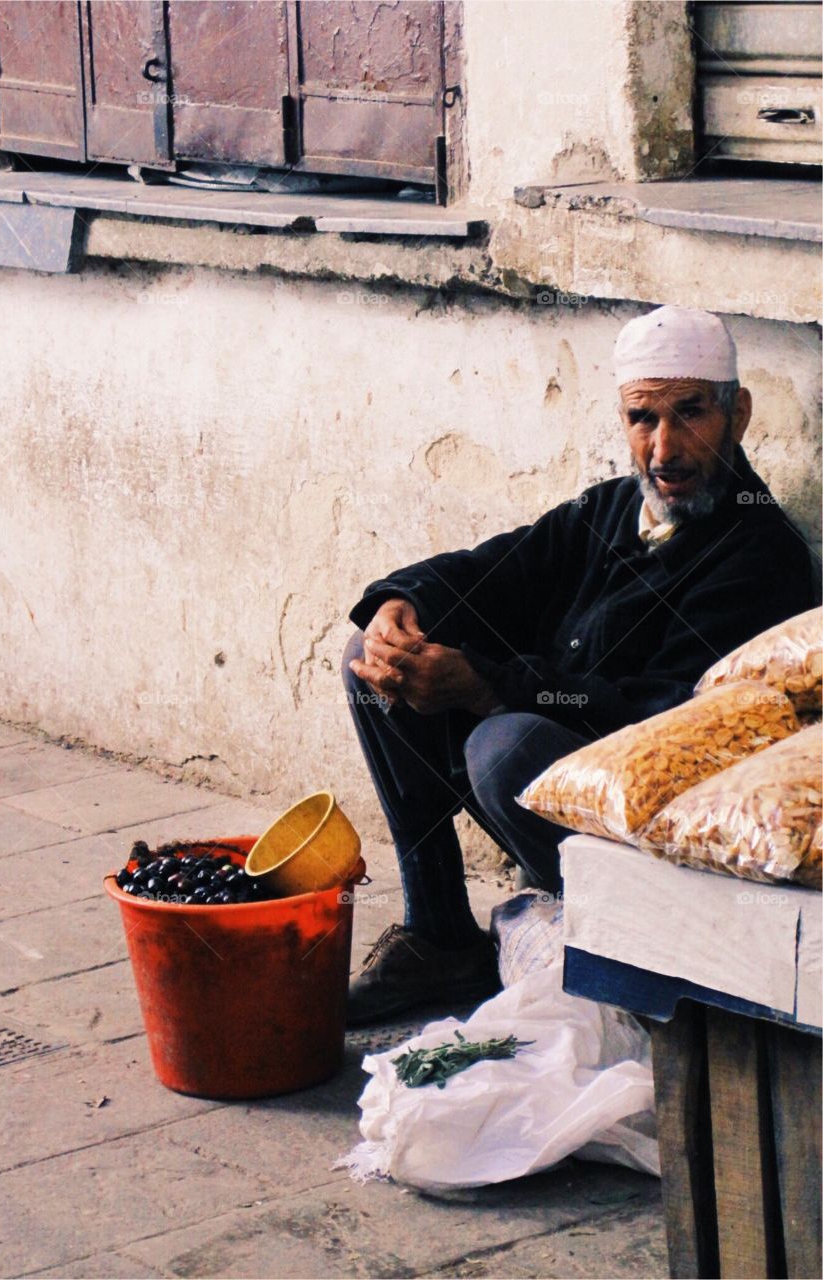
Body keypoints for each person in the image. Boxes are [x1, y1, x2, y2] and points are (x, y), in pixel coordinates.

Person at [342, 305, 819, 1026]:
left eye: (690, 414)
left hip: (638, 831)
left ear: (738, 414)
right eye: (643, 419)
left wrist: (489, 687)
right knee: (367, 659)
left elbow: (660, 719)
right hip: (545, 760)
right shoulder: (608, 510)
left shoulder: (760, 555)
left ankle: (591, 928)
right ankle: (439, 934)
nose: (666, 449)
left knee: (504, 747)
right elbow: (488, 573)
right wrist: (397, 608)